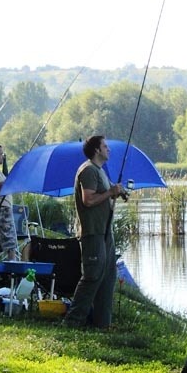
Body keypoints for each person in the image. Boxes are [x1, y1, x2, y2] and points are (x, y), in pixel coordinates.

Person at [63, 135, 125, 329]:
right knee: (92, 276)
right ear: (97, 150)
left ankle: (102, 324)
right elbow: (88, 200)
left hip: (105, 233)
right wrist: (110, 193)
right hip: (93, 233)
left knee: (108, 277)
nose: (109, 149)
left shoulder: (99, 171)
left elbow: (103, 196)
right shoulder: (88, 170)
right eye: (105, 146)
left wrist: (116, 193)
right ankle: (72, 322)